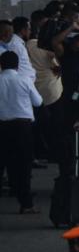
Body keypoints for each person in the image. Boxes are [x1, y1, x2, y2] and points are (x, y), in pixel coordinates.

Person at [0, 50, 42, 213]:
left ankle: (12, 188)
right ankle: (26, 203)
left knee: (5, 161)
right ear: (17, 65)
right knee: (23, 165)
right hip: (22, 127)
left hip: (2, 126)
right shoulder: (24, 80)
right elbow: (38, 102)